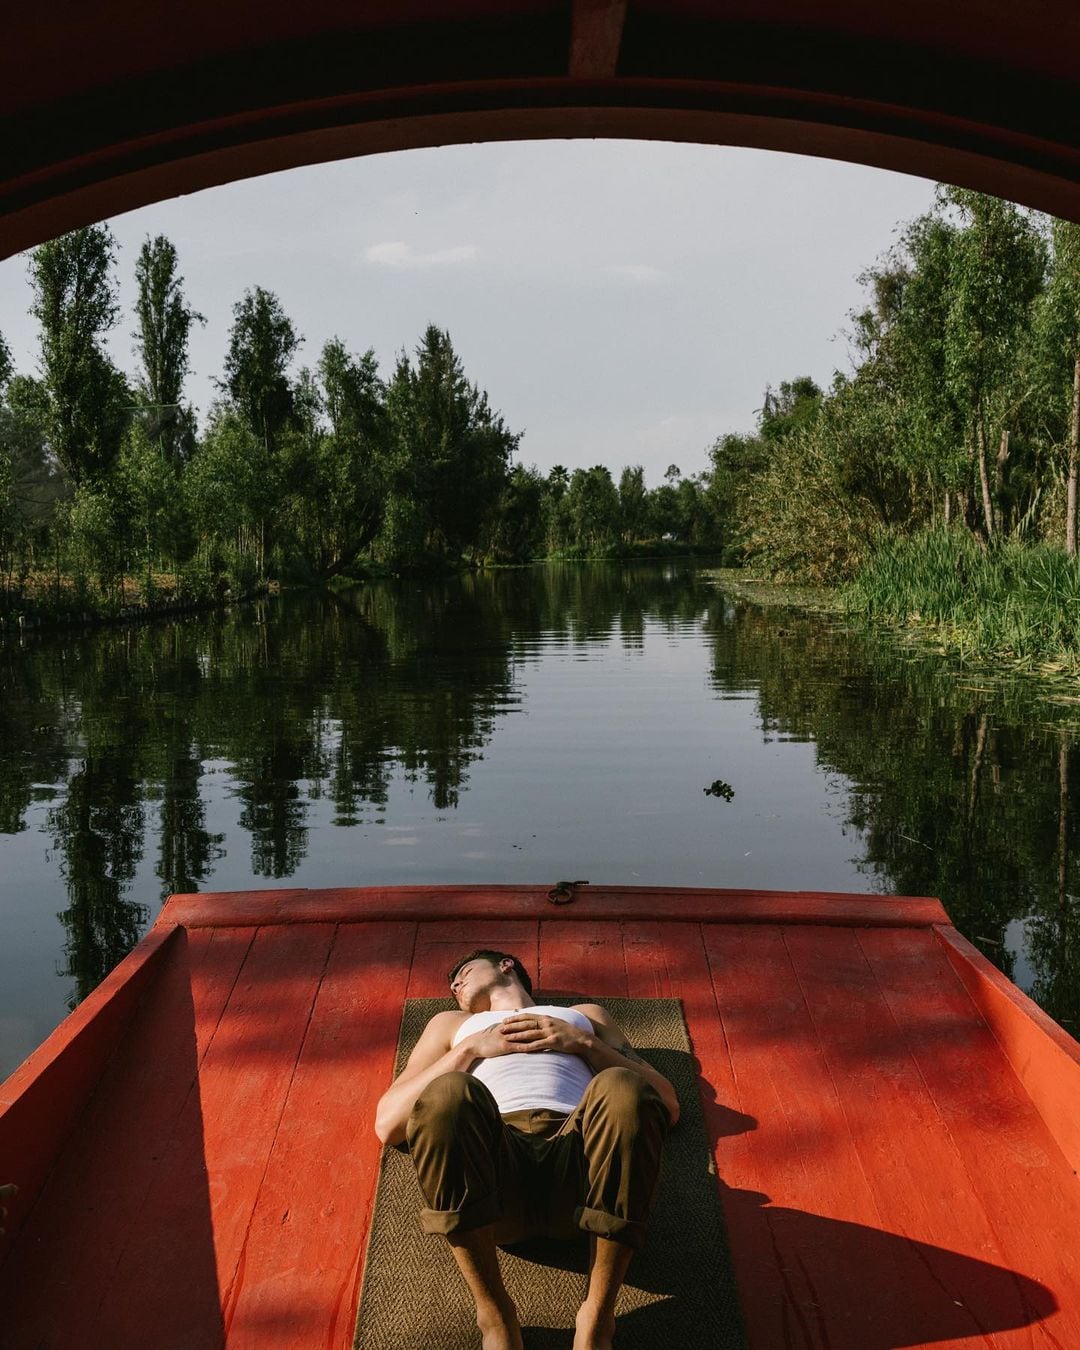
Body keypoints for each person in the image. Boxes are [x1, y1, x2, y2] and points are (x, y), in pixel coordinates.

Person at [374, 949, 679, 1350]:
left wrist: (585, 1043)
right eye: (453, 983)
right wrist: (470, 1050)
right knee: (448, 1092)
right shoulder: (452, 1024)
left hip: (583, 1158)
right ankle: (495, 1314)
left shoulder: (585, 1014)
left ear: (506, 966)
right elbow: (390, 1123)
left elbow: (666, 1103)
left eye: (463, 972)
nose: (454, 985)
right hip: (495, 1167)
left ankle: (597, 1316)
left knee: (623, 1084)